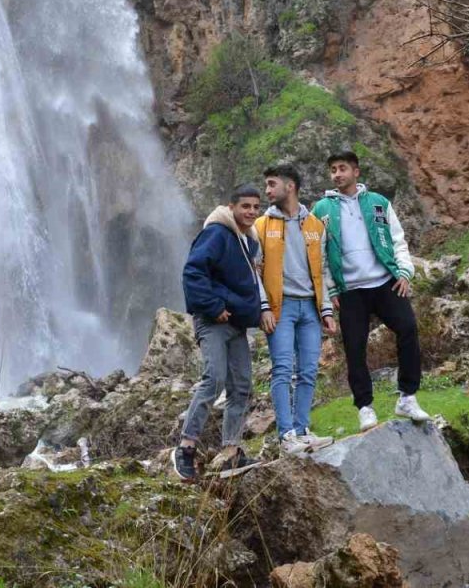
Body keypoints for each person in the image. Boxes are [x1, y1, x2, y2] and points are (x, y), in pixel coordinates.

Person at [312, 151, 429, 431]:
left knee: (408, 328)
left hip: (384, 282)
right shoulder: (322, 209)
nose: (337, 174)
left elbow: (398, 240)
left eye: (342, 168)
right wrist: (330, 290)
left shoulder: (378, 202)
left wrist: (404, 272)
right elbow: (319, 254)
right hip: (350, 290)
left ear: (356, 172)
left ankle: (407, 397)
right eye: (333, 170)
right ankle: (364, 407)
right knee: (354, 348)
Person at [171, 185, 265, 482]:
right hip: (213, 321)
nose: (250, 212)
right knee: (214, 378)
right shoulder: (217, 233)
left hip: (236, 324)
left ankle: (231, 451)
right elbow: (193, 272)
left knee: (241, 385)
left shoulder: (247, 242)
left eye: (255, 207)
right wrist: (213, 307)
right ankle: (185, 447)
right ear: (231, 207)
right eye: (245, 206)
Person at [256, 164, 337, 455]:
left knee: (308, 371)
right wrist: (263, 307)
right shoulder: (261, 226)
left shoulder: (315, 225)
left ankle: (302, 430)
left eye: (271, 184)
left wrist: (326, 310)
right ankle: (286, 435)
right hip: (281, 307)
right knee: (282, 369)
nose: (267, 190)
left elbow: (322, 269)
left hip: (311, 310)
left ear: (290, 187)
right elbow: (255, 271)